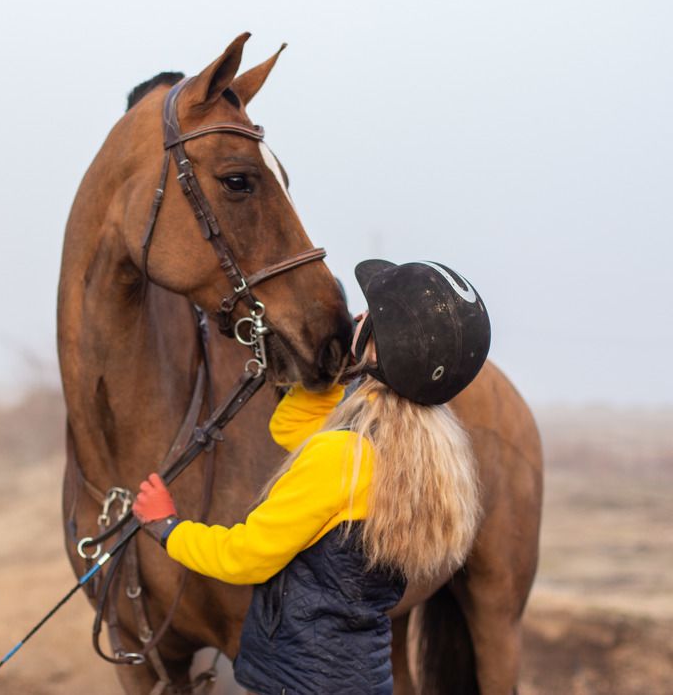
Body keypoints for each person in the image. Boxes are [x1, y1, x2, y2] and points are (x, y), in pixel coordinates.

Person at [132, 259, 491, 695]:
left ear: (380, 350)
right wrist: (334, 367)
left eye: (369, 316)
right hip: (361, 678)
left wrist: (167, 527)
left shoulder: (340, 458)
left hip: (301, 681)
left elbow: (244, 556)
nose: (357, 315)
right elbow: (291, 428)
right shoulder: (417, 455)